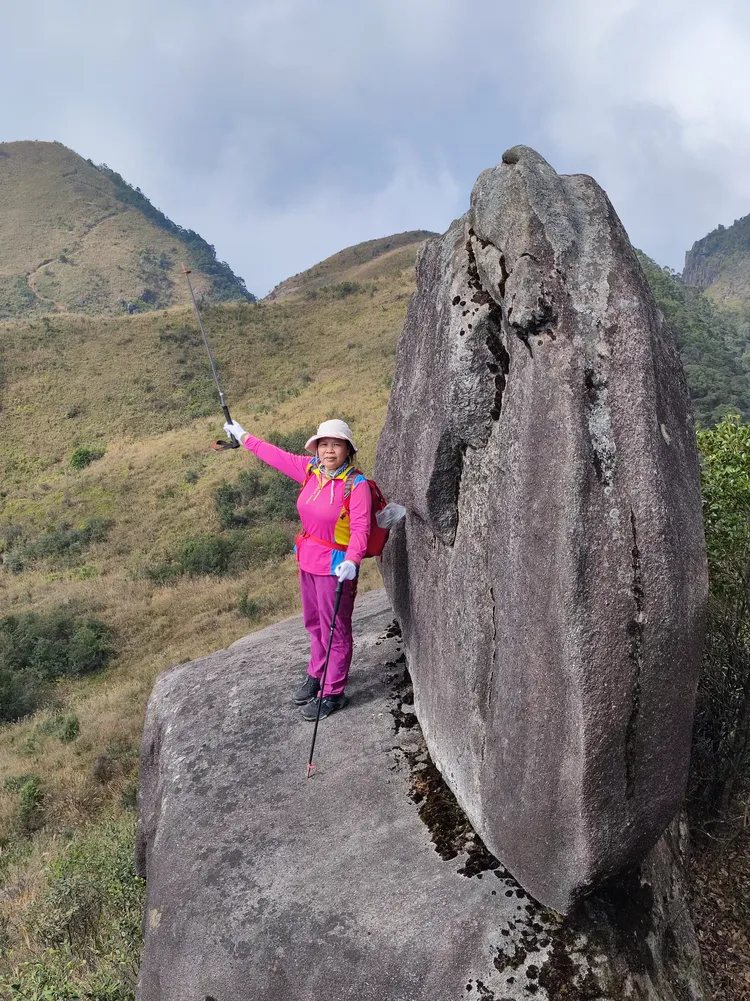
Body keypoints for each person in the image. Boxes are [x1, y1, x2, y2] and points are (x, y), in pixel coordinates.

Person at [223, 417, 372, 721]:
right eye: (324, 444)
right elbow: (275, 456)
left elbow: (361, 528)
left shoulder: (356, 486)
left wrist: (353, 560)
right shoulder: (310, 470)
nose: (329, 450)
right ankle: (317, 673)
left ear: (348, 450)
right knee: (315, 623)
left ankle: (333, 692)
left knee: (334, 629)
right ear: (316, 448)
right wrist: (244, 436)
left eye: (336, 444)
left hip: (335, 568)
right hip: (307, 559)